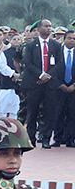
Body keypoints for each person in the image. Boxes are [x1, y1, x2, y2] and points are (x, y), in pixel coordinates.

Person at [20, 19, 63, 148]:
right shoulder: (31, 45)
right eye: (46, 26)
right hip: (35, 83)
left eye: (50, 26)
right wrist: (41, 75)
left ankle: (45, 138)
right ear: (38, 29)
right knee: (32, 112)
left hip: (50, 83)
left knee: (49, 111)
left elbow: (60, 63)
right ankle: (31, 138)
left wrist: (48, 76)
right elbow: (28, 63)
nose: (49, 28)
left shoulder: (56, 45)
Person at [55, 30, 75, 146]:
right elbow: (51, 69)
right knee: (58, 113)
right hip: (59, 87)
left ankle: (70, 139)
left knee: (72, 114)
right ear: (64, 39)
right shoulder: (57, 52)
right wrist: (60, 84)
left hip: (73, 88)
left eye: (74, 39)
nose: (72, 40)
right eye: (70, 38)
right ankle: (58, 138)